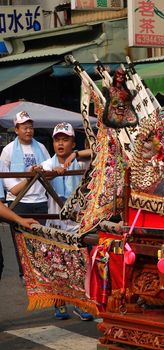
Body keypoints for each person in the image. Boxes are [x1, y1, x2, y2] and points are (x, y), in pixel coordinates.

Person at [39, 122, 93, 321]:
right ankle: (59, 304)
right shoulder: (46, 164)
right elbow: (34, 172)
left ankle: (80, 303)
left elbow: (97, 151)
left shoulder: (80, 163)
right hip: (54, 222)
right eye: (57, 140)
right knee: (56, 265)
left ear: (72, 142)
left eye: (65, 139)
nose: (61, 144)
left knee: (79, 265)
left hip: (76, 223)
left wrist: (75, 156)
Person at [0, 111, 50, 279]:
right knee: (21, 243)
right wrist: (30, 177)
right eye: (24, 128)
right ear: (16, 130)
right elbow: (12, 188)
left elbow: (49, 170)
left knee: (43, 241)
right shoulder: (7, 151)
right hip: (19, 202)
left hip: (41, 201)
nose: (28, 131)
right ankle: (25, 275)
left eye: (30, 127)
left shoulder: (41, 148)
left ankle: (42, 276)